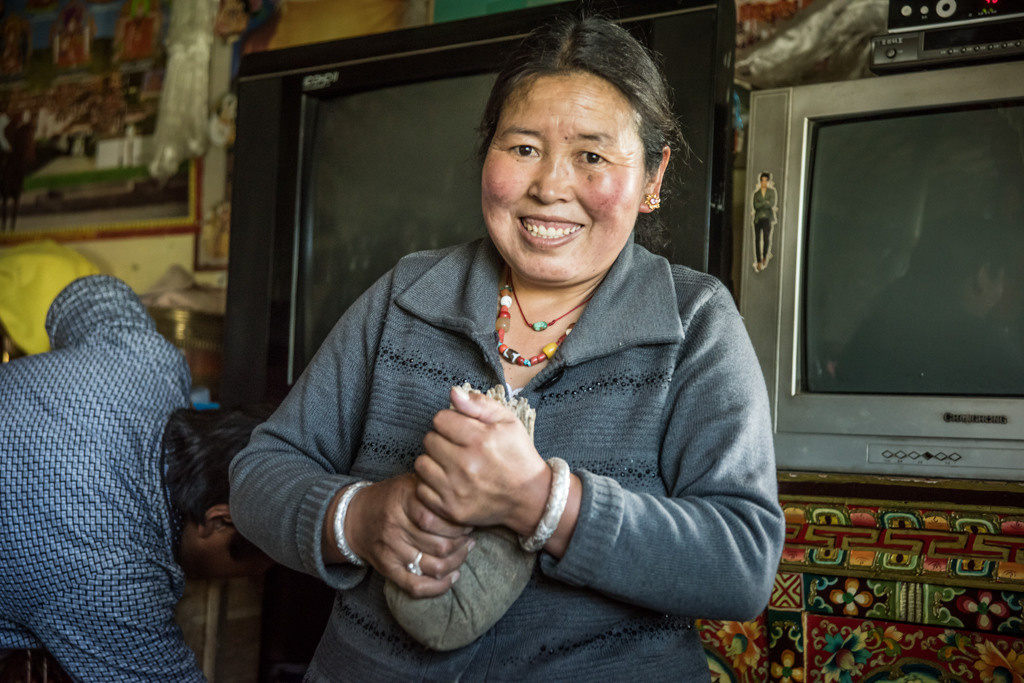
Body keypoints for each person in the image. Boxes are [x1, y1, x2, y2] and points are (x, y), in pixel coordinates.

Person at [230, 14, 785, 681]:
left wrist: (542, 503)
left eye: (592, 155)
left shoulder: (694, 322)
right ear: (485, 152)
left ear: (652, 177)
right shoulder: (408, 295)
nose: (550, 186)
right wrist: (360, 517)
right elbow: (260, 471)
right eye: (522, 147)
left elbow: (741, 562)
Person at [0, 271, 274, 681]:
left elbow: (89, 293)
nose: (255, 578)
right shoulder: (116, 582)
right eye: (264, 565)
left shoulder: (150, 364)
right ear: (219, 520)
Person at [751, 171, 777, 272]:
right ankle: (758, 260)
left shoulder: (771, 192)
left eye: (766, 181)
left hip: (767, 218)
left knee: (766, 238)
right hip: (758, 219)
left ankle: (765, 256)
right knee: (757, 239)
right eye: (762, 181)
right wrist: (764, 203)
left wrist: (762, 204)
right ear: (760, 181)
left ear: (768, 182)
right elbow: (755, 206)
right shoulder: (756, 193)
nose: (764, 183)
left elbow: (771, 204)